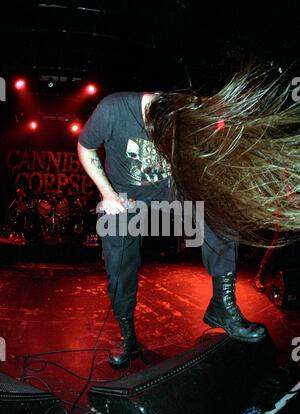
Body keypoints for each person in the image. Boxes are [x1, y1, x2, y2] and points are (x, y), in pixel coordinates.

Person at [77, 83, 270, 367]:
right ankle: (127, 336)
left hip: (172, 187)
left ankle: (223, 307)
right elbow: (85, 148)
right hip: (126, 195)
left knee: (219, 210)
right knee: (119, 265)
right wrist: (108, 194)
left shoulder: (187, 111)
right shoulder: (113, 109)